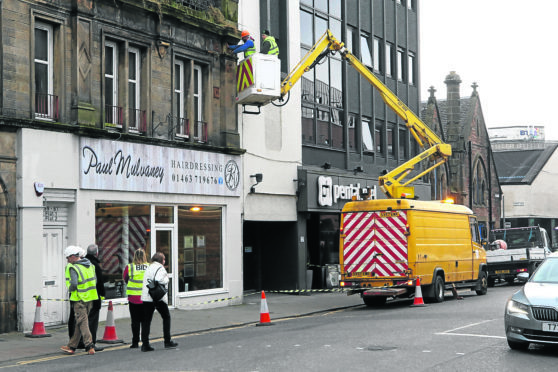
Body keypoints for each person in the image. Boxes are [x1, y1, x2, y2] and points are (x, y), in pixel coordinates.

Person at [61, 245, 98, 355]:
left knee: (83, 322)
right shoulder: (90, 265)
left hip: (79, 298)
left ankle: (89, 345)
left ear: (73, 256)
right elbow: (94, 280)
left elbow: (74, 284)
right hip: (90, 297)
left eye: (68, 258)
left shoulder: (74, 267)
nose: (67, 260)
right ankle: (71, 346)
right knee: (80, 321)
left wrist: (70, 290)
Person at [140, 252, 178, 352]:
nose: (165, 261)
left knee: (146, 321)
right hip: (157, 298)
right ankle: (167, 341)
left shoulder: (149, 267)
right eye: (164, 259)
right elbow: (159, 279)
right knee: (166, 317)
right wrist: (167, 279)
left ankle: (145, 344)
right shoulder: (160, 268)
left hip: (146, 297)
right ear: (161, 260)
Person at [123, 249, 149, 349]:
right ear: (144, 256)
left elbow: (125, 279)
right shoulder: (148, 266)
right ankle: (145, 341)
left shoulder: (129, 267)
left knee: (135, 321)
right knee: (145, 321)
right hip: (146, 298)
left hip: (133, 298)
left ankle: (135, 342)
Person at [85, 244, 106, 351]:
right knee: (92, 321)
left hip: (82, 296)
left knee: (83, 320)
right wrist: (103, 294)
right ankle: (91, 343)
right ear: (96, 253)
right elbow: (99, 282)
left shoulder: (83, 263)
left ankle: (81, 342)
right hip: (94, 296)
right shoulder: (95, 265)